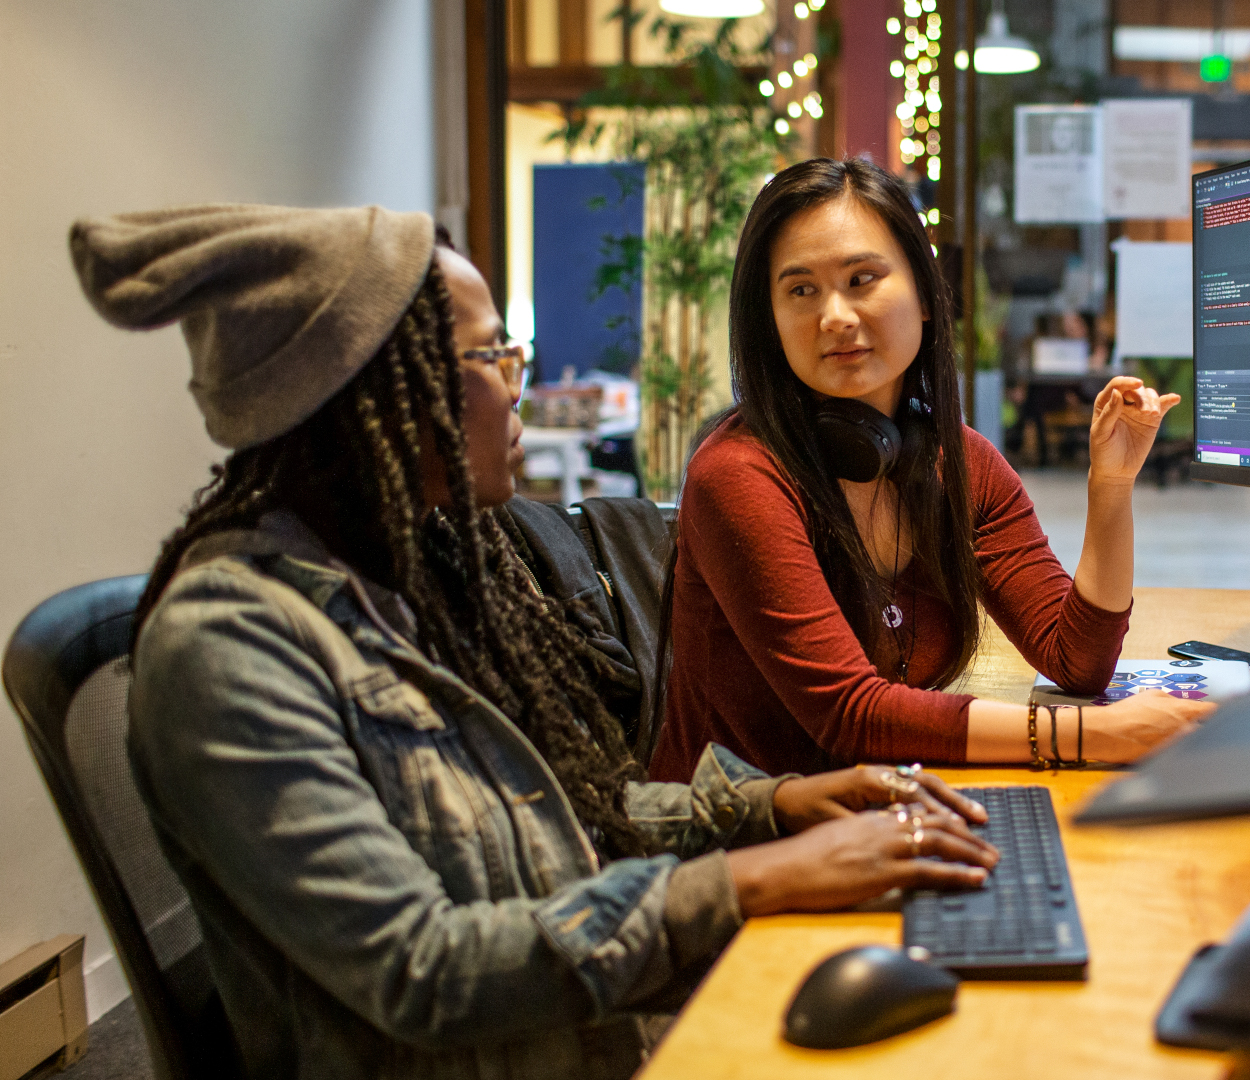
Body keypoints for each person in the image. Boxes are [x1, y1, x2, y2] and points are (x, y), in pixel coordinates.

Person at [71, 203, 996, 1080]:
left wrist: (775, 807)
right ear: (378, 396)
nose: (524, 384)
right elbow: (421, 970)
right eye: (494, 358)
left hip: (600, 1034)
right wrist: (750, 884)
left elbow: (571, 815)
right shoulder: (227, 650)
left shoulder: (421, 569)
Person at [650, 159, 1214, 783]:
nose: (834, 315)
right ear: (771, 320)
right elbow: (851, 716)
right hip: (739, 851)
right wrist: (1095, 734)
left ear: (924, 295)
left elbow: (1076, 660)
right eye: (801, 289)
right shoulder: (737, 476)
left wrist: (1111, 486)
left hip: (876, 817)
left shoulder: (960, 464)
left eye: (862, 278)